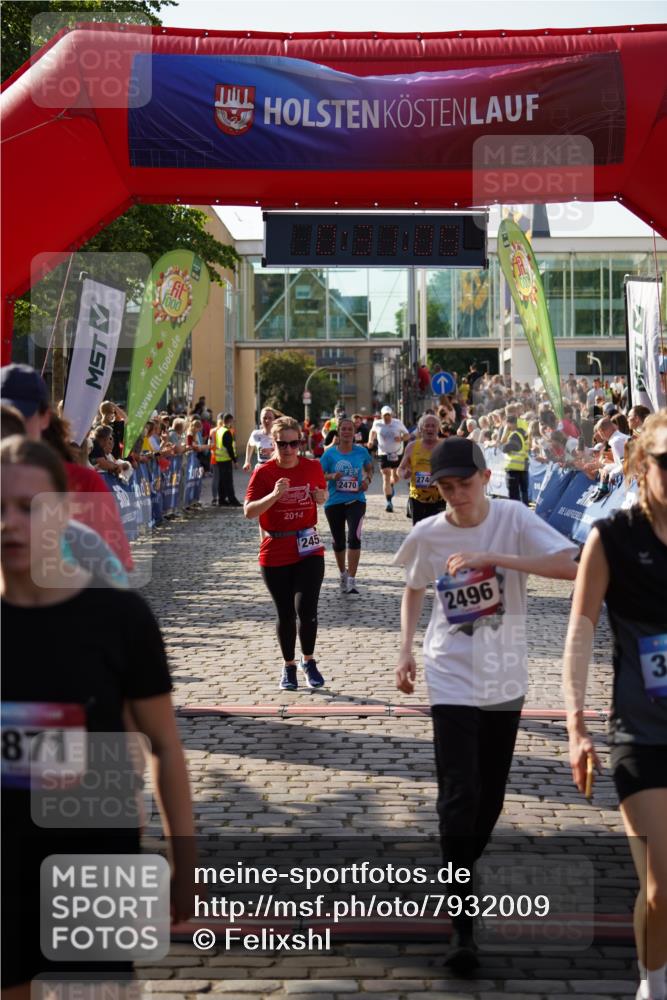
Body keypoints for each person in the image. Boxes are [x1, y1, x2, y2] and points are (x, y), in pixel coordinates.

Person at [1, 436, 196, 997]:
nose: (11, 524)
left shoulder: (120, 617)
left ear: (62, 512)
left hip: (91, 850)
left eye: (28, 506)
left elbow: (163, 743)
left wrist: (185, 859)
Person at [394, 437, 578, 973]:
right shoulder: (429, 532)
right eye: (446, 488)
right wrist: (405, 650)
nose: (456, 497)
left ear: (485, 478)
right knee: (460, 792)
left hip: (503, 674)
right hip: (448, 670)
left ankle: (459, 870)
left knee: (490, 798)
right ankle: (462, 925)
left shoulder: (515, 517)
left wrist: (492, 557)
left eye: (464, 485)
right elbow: (413, 588)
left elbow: (572, 565)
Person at [563, 410, 667, 1000]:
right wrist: (577, 727)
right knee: (662, 886)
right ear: (640, 464)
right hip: (641, 737)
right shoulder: (613, 538)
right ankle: (653, 985)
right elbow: (578, 636)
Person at [244, 416, 328, 691]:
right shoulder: (265, 473)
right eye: (283, 443)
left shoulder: (312, 467)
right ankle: (289, 665)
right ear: (274, 442)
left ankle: (309, 660)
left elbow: (322, 493)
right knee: (285, 614)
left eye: (294, 443)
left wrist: (321, 497)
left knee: (307, 610)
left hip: (308, 547)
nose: (289, 449)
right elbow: (249, 512)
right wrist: (274, 496)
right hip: (275, 549)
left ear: (300, 443)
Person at [320, 416, 373, 595]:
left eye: (350, 429)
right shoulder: (329, 454)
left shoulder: (361, 452)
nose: (347, 432)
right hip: (334, 502)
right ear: (338, 432)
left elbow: (369, 467)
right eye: (343, 429)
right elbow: (319, 475)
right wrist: (331, 476)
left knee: (354, 538)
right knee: (338, 542)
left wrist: (367, 479)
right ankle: (343, 573)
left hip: (356, 500)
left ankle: (351, 579)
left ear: (354, 432)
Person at [398, 413, 446, 524]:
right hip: (417, 497)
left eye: (433, 426)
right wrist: (404, 474)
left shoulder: (445, 447)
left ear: (438, 429)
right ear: (421, 429)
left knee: (435, 532)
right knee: (419, 532)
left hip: (438, 497)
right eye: (427, 425)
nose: (430, 429)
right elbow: (400, 469)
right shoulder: (412, 446)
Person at [369, 405, 409, 512]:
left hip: (397, 452)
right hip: (383, 453)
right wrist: (371, 441)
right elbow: (372, 432)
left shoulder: (397, 422)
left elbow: (407, 435)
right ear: (381, 415)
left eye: (389, 415)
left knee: (395, 478)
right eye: (385, 415)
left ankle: (391, 485)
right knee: (386, 475)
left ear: (391, 415)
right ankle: (388, 502)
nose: (387, 417)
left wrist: (400, 438)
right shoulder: (377, 423)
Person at [502, 413, 530, 504]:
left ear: (511, 423)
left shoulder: (514, 435)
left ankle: (516, 514)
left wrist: (505, 434)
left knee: (514, 495)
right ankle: (524, 513)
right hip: (523, 466)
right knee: (523, 492)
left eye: (507, 424)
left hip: (514, 468)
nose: (506, 426)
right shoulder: (523, 433)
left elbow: (505, 448)